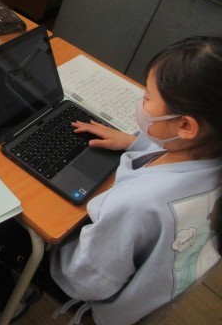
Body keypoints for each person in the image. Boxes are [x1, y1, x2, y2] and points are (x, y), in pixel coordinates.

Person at [49, 36, 222, 325]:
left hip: (95, 294)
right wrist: (135, 143)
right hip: (154, 293)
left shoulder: (139, 202)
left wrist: (55, 239)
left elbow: (85, 280)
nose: (140, 102)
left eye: (147, 97)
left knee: (17, 233)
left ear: (185, 125)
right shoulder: (211, 155)